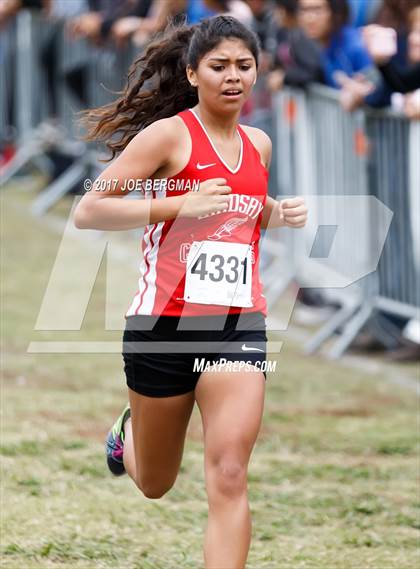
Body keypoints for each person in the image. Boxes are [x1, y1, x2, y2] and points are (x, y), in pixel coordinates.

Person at [74, 15, 307, 568]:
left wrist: (277, 214)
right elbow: (91, 207)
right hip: (162, 325)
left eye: (244, 66)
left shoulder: (259, 143)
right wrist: (176, 203)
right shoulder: (169, 135)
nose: (233, 77)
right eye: (219, 66)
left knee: (229, 473)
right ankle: (125, 436)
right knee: (155, 482)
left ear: (258, 71)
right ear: (192, 72)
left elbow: (237, 214)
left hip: (237, 325)